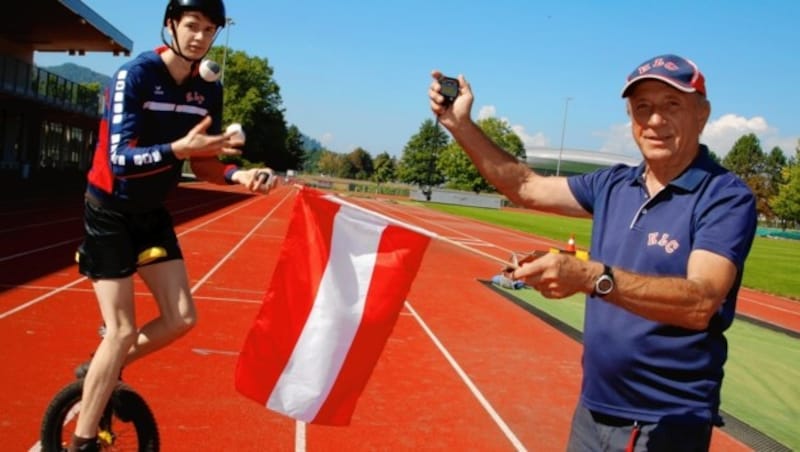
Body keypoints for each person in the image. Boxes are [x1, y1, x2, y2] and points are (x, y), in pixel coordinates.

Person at [429, 54, 757, 451]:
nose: (654, 120)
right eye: (643, 108)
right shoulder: (613, 184)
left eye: (672, 105)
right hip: (593, 409)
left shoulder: (724, 196)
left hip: (666, 419)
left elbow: (700, 301)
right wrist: (458, 124)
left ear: (702, 115)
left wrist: (590, 277)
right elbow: (526, 187)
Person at [69, 1, 275, 450]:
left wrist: (238, 175)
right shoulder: (136, 76)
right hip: (108, 210)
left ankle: (101, 365)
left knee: (182, 317)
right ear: (169, 27)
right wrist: (176, 149)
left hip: (151, 211)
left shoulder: (208, 90)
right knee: (121, 329)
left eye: (209, 30)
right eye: (191, 26)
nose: (200, 37)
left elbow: (203, 165)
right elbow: (119, 160)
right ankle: (81, 442)